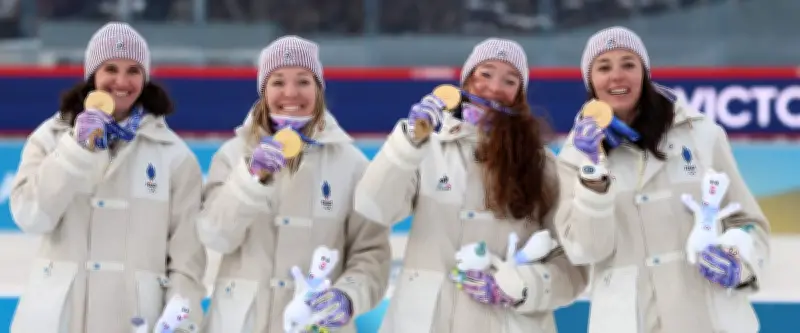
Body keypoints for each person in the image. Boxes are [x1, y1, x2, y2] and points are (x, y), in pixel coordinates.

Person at [355, 38, 588, 333]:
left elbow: (574, 263)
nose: (493, 88)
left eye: (509, 80)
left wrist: (520, 287)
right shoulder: (426, 150)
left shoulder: (541, 166)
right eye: (485, 74)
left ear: (519, 96)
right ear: (465, 81)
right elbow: (373, 206)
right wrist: (408, 143)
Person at [554, 26, 770, 333]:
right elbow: (584, 250)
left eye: (628, 64)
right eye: (604, 67)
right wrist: (594, 175)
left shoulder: (701, 134)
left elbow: (749, 224)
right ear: (590, 81)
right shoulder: (575, 156)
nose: (617, 76)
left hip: (710, 321)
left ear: (644, 72)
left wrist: (737, 261)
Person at [9, 22, 207, 333]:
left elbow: (187, 261)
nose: (122, 81)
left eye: (133, 70)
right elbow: (30, 217)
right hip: (58, 320)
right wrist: (76, 150)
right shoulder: (51, 138)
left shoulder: (175, 157)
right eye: (110, 69)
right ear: (93, 76)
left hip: (135, 320)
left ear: (145, 77)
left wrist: (180, 323)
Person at [197, 35, 392, 333]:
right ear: (264, 90)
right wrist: (250, 179)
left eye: (303, 81)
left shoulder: (353, 165)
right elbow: (215, 236)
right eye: (277, 82)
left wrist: (348, 296)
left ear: (318, 89)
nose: (291, 93)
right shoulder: (232, 155)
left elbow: (371, 255)